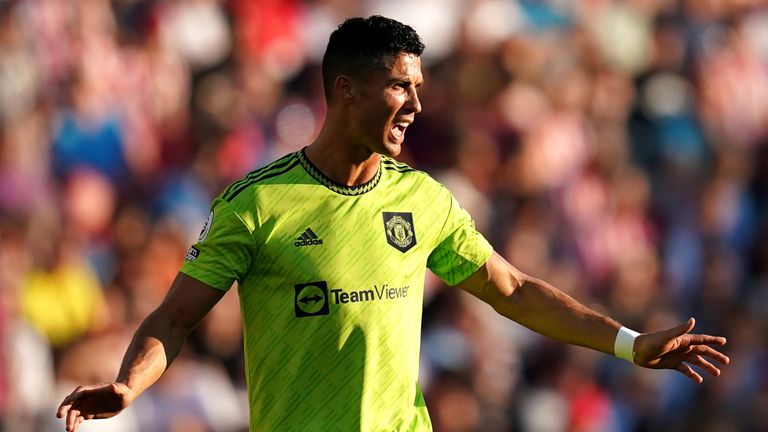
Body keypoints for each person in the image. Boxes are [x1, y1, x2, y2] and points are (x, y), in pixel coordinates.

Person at [57, 15, 729, 432]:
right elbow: (174, 319)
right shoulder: (257, 202)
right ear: (344, 89)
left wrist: (629, 344)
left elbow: (515, 290)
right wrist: (127, 385)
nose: (414, 103)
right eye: (399, 86)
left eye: (419, 88)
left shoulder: (422, 198)